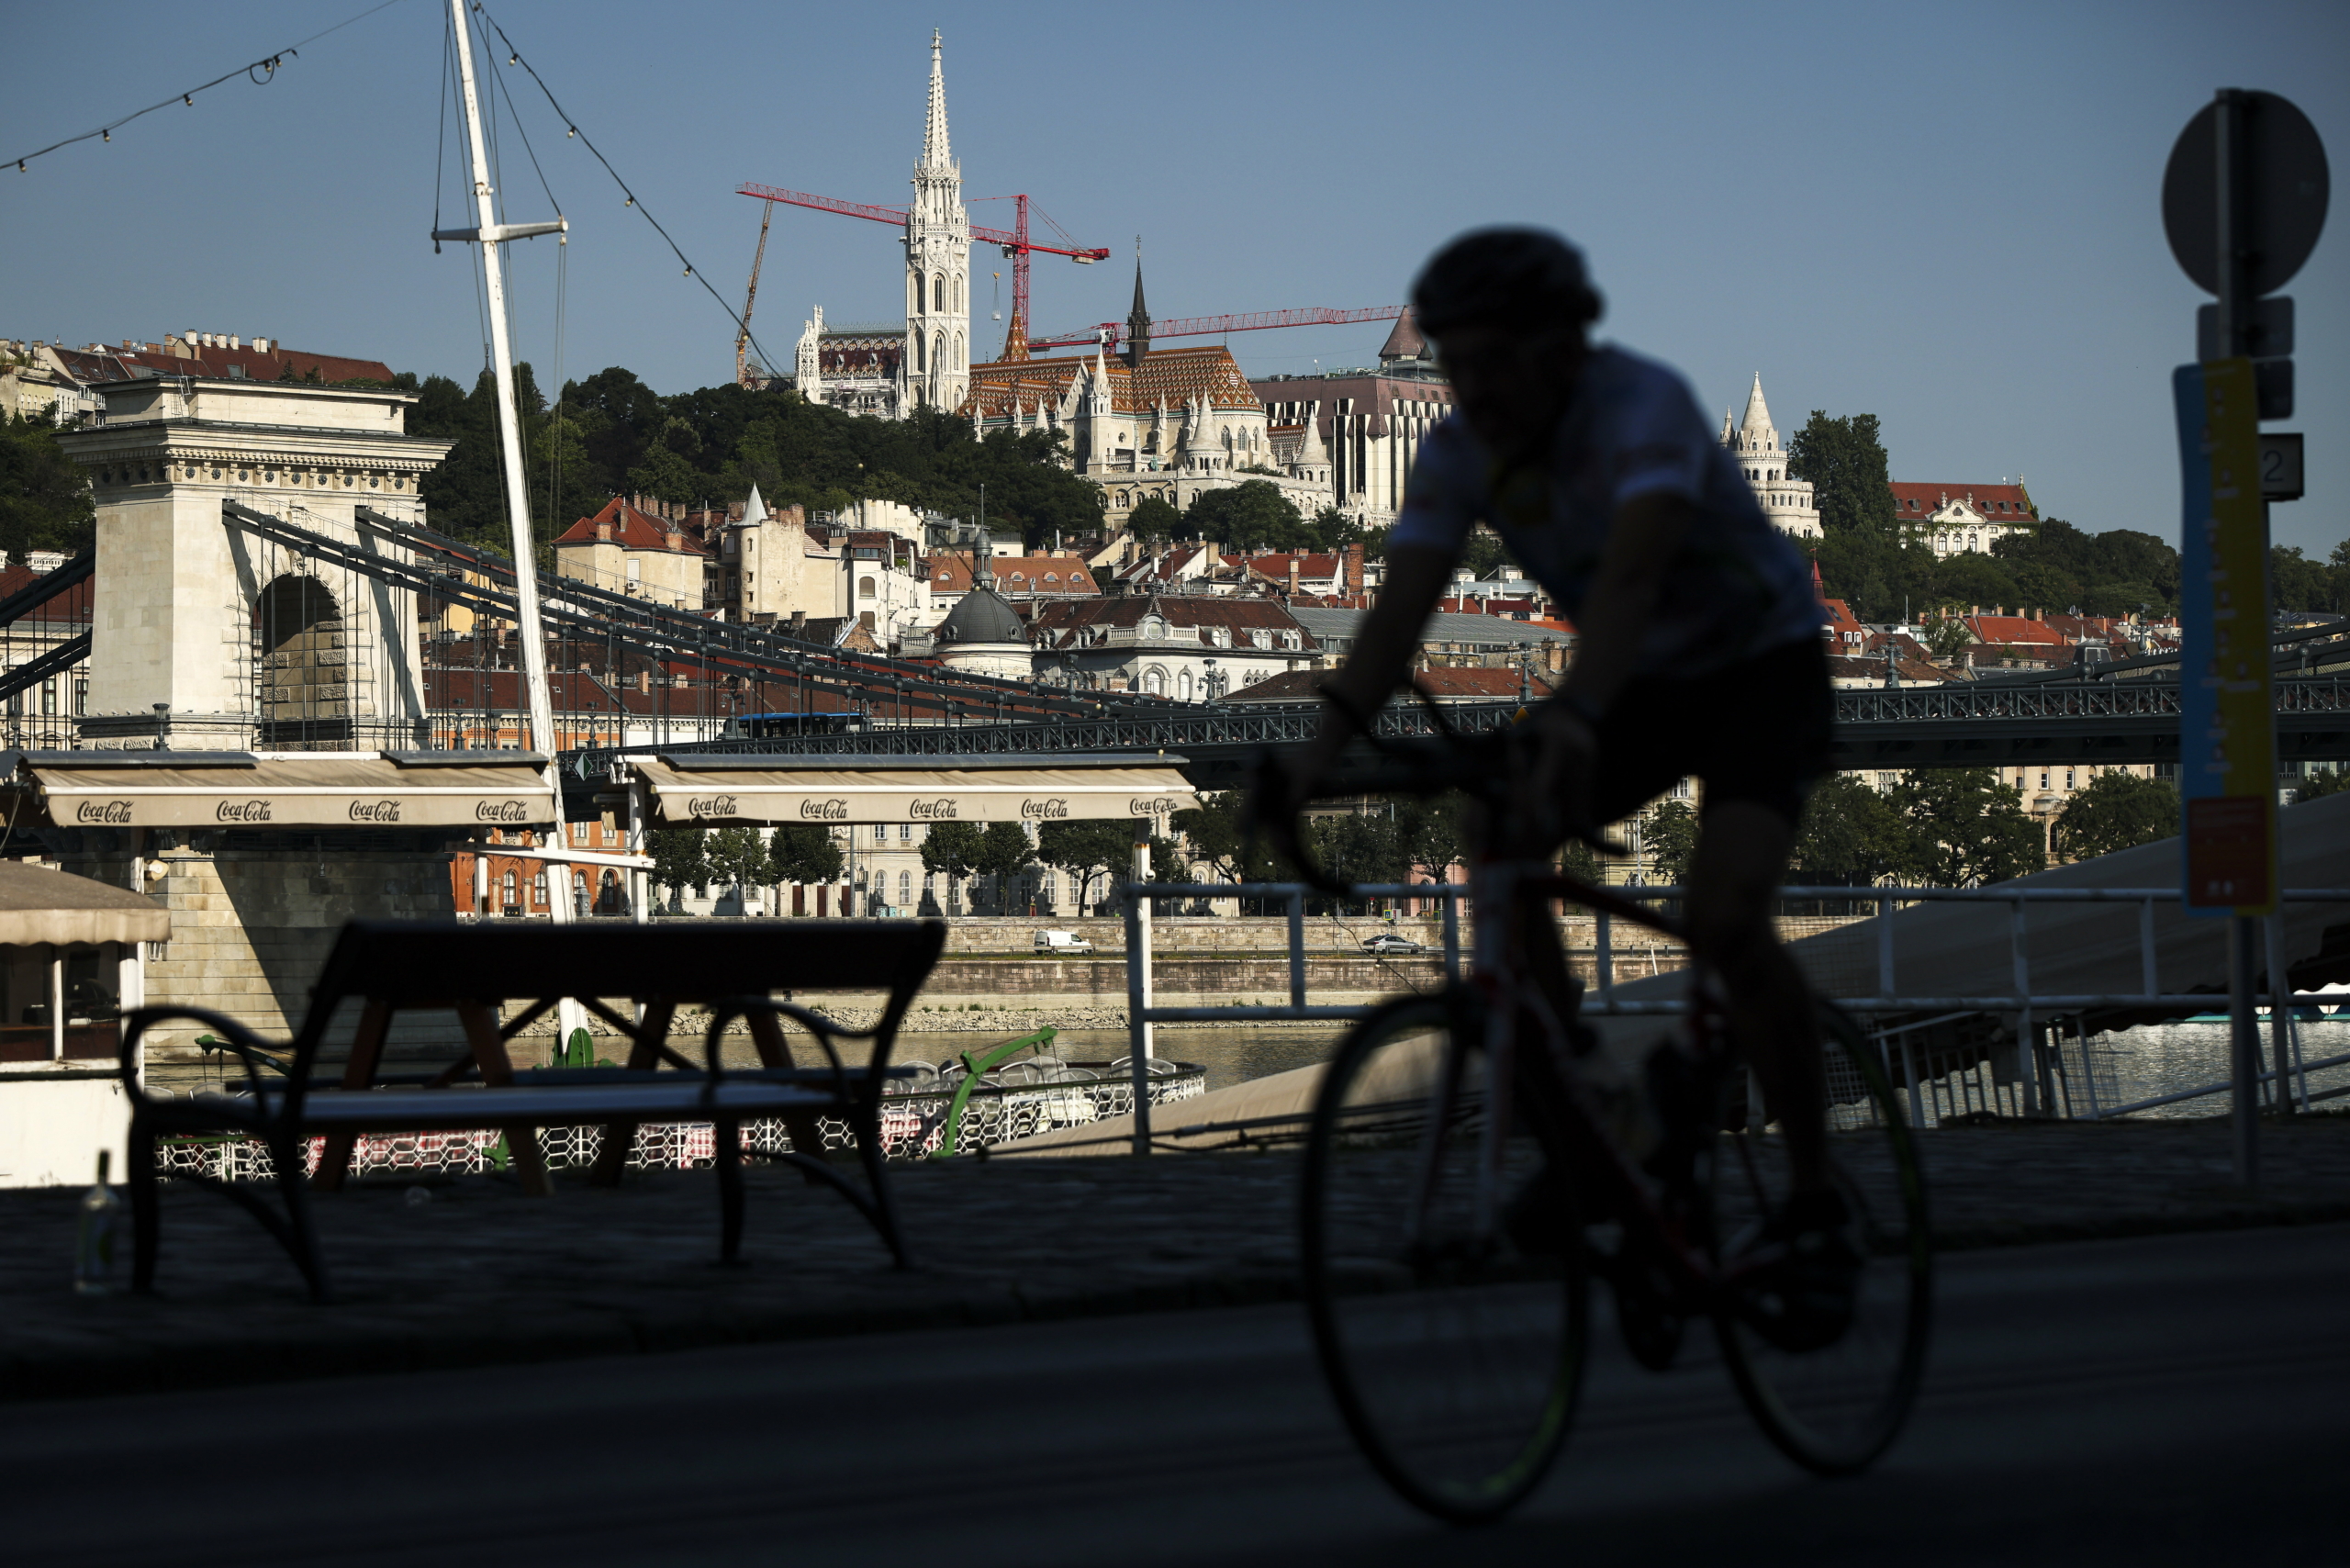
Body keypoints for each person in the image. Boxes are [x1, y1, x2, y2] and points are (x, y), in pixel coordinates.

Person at [1285, 228, 1856, 1346]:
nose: (1473, 384)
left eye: (1493, 357)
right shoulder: (1459, 450)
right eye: (1455, 360)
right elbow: (1394, 620)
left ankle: (1817, 1198)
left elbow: (1638, 570)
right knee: (1494, 826)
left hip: (1758, 667)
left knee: (1724, 916)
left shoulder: (1640, 406)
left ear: (1559, 345)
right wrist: (1306, 761)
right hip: (1639, 676)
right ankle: (1593, 1106)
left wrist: (1577, 719)